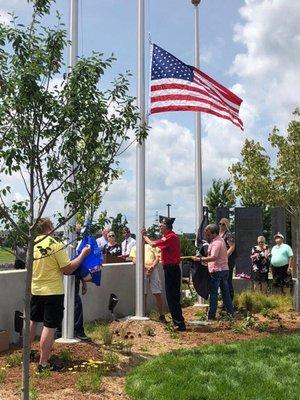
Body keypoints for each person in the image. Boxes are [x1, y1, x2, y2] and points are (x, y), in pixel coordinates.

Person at [30, 218, 91, 372]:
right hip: (53, 292)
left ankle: (27, 352)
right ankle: (43, 364)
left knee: (33, 321)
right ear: (49, 227)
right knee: (49, 327)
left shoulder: (33, 244)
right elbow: (67, 269)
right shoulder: (54, 245)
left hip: (36, 289)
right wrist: (83, 255)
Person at [142, 216, 186, 331]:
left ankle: (179, 323)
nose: (159, 228)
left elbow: (152, 244)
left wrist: (144, 235)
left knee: (172, 297)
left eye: (161, 226)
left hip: (172, 269)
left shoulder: (170, 237)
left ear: (167, 227)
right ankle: (178, 322)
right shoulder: (170, 236)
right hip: (171, 269)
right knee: (172, 296)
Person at [192, 224, 234, 320]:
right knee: (225, 293)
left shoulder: (216, 243)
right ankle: (231, 314)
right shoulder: (220, 241)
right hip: (224, 270)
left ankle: (211, 316)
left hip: (217, 271)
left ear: (214, 233)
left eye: (208, 234)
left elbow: (213, 257)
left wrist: (199, 259)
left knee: (214, 294)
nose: (207, 236)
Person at [130, 244, 166, 322]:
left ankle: (161, 315)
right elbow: (134, 259)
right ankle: (144, 313)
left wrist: (152, 267)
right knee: (143, 293)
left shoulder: (153, 246)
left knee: (157, 292)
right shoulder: (135, 247)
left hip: (153, 270)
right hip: (141, 270)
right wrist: (145, 266)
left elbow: (158, 257)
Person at [219, 218, 236, 300]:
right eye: (220, 223)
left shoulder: (228, 234)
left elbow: (232, 246)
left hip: (228, 260)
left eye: (223, 224)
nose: (221, 225)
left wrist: (225, 256)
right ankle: (224, 300)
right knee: (222, 281)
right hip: (220, 261)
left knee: (227, 280)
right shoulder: (218, 234)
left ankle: (230, 300)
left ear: (227, 225)